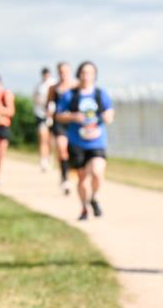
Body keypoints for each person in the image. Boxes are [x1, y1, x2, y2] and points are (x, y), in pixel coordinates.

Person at [55, 61, 114, 220]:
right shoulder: (71, 95)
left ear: (94, 75)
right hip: (77, 142)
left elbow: (110, 112)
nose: (86, 76)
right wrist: (73, 116)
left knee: (97, 172)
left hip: (97, 141)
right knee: (82, 178)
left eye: (90, 73)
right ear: (79, 74)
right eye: (84, 72)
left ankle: (94, 197)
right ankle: (83, 208)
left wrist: (108, 116)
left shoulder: (100, 94)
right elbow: (59, 115)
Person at [48, 62, 78, 195]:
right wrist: (49, 114)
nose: (63, 74)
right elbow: (49, 105)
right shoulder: (53, 88)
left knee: (72, 151)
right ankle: (65, 177)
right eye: (60, 71)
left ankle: (71, 172)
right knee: (62, 148)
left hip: (74, 123)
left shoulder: (77, 86)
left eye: (65, 71)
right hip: (59, 122)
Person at [33, 67, 56, 172]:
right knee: (42, 137)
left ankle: (49, 156)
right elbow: (35, 98)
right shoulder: (38, 86)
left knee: (50, 140)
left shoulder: (54, 83)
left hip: (53, 115)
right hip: (41, 114)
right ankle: (43, 160)